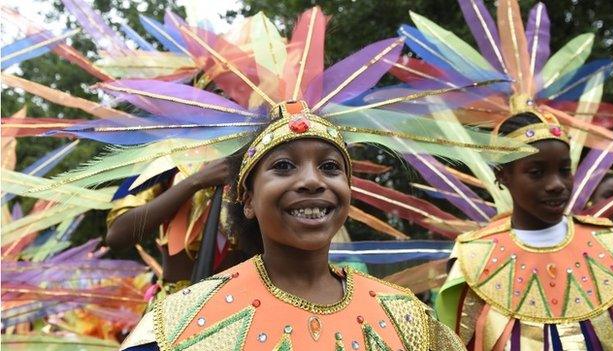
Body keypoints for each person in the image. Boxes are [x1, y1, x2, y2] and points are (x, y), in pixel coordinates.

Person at [120, 101, 465, 351]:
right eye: (284, 166)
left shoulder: (406, 317)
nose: (312, 181)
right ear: (248, 201)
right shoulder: (183, 319)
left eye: (330, 167)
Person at [435, 108, 613, 350]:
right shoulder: (473, 260)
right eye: (537, 172)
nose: (556, 184)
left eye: (564, 170)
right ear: (502, 175)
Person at [106, 159, 235, 302]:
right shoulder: (172, 155)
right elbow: (117, 235)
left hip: (247, 298)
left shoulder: (256, 149)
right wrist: (197, 180)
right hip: (177, 305)